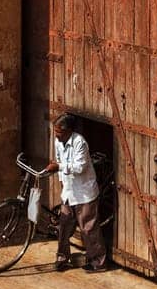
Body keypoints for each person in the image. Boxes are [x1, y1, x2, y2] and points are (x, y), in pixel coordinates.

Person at [43, 113, 108, 272]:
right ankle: (62, 258)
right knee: (64, 226)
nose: (56, 135)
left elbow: (80, 167)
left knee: (89, 229)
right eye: (56, 132)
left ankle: (98, 262)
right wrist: (61, 184)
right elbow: (58, 162)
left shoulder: (80, 143)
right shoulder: (58, 142)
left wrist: (59, 168)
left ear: (68, 131)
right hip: (69, 193)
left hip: (84, 193)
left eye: (59, 132)